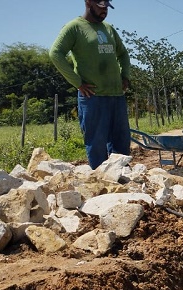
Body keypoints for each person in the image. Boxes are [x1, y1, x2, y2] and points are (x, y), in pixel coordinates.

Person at [50, 0, 132, 169]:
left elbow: (123, 53)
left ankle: (123, 182)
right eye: (101, 7)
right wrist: (77, 83)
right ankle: (101, 185)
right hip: (93, 97)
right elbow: (55, 53)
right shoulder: (74, 27)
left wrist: (125, 76)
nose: (104, 12)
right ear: (88, 3)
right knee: (96, 145)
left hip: (116, 95)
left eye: (106, 8)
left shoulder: (108, 28)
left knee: (121, 144)